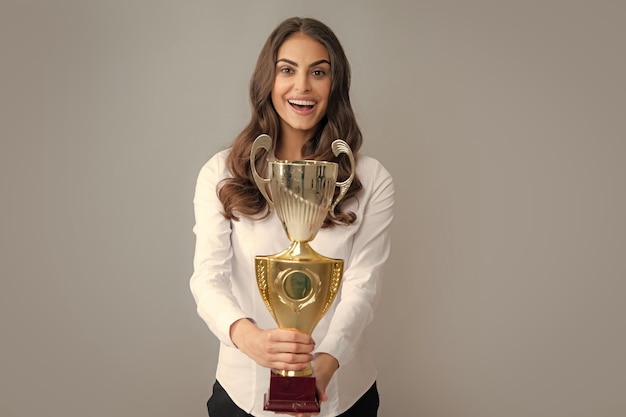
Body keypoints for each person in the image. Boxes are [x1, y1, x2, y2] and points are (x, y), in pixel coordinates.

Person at [190, 16, 394, 417]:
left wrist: (327, 362)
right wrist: (247, 337)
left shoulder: (369, 179)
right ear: (268, 80)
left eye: (318, 72)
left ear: (335, 85)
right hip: (243, 392)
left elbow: (363, 284)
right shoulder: (223, 172)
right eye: (287, 70)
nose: (302, 87)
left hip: (342, 394)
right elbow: (207, 277)